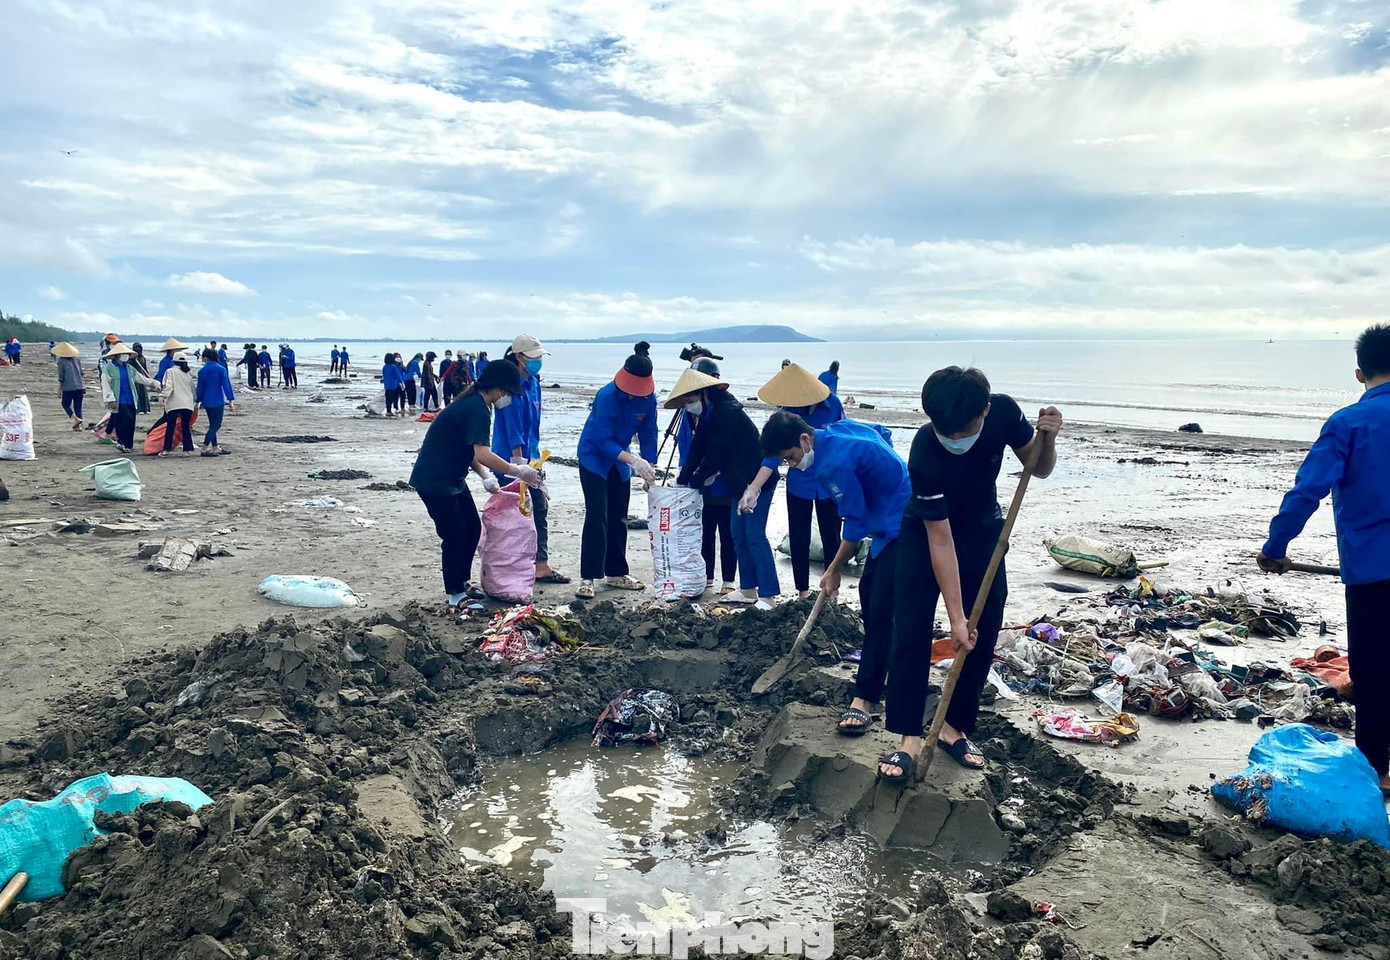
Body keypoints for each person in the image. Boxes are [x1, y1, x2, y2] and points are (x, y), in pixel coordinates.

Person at [874, 367, 1062, 783]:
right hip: (926, 533)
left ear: (986, 411)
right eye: (947, 432)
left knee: (982, 631)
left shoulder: (1004, 413)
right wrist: (955, 617)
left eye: (964, 430)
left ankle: (952, 727)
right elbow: (940, 540)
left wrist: (1048, 439)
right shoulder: (925, 449)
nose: (955, 439)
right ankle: (908, 738)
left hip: (983, 532)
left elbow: (1038, 468)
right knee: (911, 630)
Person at [1259, 323, 1390, 796]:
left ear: (1360, 373)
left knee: (1374, 672)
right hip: (1372, 567)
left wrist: (1276, 546)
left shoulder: (1349, 422)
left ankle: (1376, 772)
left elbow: (1308, 489)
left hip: (1373, 570)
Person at [760, 410, 910, 742]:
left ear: (804, 440)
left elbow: (854, 524)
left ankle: (865, 697)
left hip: (903, 524)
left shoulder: (832, 465)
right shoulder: (840, 429)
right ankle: (885, 670)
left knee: (879, 610)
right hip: (889, 518)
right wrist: (883, 477)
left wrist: (833, 569)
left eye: (790, 457)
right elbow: (882, 432)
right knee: (872, 597)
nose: (792, 465)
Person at [410, 360, 542, 611]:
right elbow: (483, 453)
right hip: (435, 480)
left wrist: (485, 475)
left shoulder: (477, 403)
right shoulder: (476, 408)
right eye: (507, 392)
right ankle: (455, 594)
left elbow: (470, 449)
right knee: (455, 534)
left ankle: (462, 581)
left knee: (472, 528)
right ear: (498, 388)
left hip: (452, 478)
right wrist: (517, 470)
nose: (506, 397)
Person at [672, 368, 780, 609]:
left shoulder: (727, 413)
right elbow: (698, 448)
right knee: (737, 534)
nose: (689, 405)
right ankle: (748, 590)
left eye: (691, 399)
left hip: (758, 482)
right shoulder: (708, 414)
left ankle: (768, 595)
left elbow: (715, 456)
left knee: (754, 535)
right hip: (738, 483)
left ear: (704, 393)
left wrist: (695, 482)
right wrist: (682, 479)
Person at [744, 363, 846, 598]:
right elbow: (772, 458)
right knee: (799, 537)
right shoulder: (786, 413)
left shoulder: (833, 404)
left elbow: (840, 436)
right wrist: (754, 488)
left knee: (832, 535)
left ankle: (832, 590)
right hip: (799, 484)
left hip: (828, 483)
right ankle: (803, 591)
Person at [575, 342, 659, 599]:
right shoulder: (607, 396)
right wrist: (633, 460)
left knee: (619, 516)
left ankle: (616, 572)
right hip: (593, 458)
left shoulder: (649, 399)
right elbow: (602, 440)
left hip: (620, 462)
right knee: (597, 515)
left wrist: (649, 466)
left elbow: (649, 433)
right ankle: (588, 577)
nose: (633, 396)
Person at [493, 335, 569, 584]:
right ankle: (515, 566)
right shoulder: (505, 387)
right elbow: (511, 426)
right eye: (533, 357)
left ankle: (540, 565)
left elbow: (533, 425)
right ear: (519, 357)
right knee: (516, 514)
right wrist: (519, 464)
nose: (538, 361)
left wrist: (535, 461)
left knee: (539, 509)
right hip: (508, 459)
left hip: (532, 457)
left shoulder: (534, 383)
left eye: (539, 357)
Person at [677, 357, 736, 593]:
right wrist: (685, 477)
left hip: (725, 481)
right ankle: (706, 576)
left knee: (728, 531)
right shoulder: (690, 413)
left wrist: (705, 472)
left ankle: (729, 580)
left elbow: (727, 449)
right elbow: (686, 447)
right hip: (701, 483)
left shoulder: (724, 411)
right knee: (704, 530)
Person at [101, 343, 159, 453]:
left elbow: (142, 379)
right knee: (125, 421)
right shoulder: (108, 369)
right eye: (123, 354)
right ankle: (121, 442)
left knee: (131, 422)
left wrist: (155, 384)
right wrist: (110, 399)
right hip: (118, 400)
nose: (126, 356)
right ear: (117, 355)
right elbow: (106, 385)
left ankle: (128, 445)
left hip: (131, 399)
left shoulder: (129, 368)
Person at [195, 348, 236, 455]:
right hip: (217, 400)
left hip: (206, 401)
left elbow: (200, 388)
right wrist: (230, 400)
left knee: (212, 424)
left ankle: (215, 447)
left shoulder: (202, 371)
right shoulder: (221, 369)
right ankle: (204, 448)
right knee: (215, 426)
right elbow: (226, 385)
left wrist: (198, 401)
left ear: (206, 358)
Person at [158, 351, 197, 456]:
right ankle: (187, 450)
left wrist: (162, 396)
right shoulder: (188, 373)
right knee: (185, 427)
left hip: (174, 403)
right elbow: (193, 388)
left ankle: (166, 449)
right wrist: (195, 401)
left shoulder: (170, 371)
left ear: (174, 361)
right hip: (187, 404)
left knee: (171, 426)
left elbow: (169, 386)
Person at [53, 342, 85, 430]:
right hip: (80, 386)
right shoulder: (77, 359)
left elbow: (61, 377)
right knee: (78, 407)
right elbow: (81, 373)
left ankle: (75, 419)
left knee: (65, 404)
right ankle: (78, 426)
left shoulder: (61, 361)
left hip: (68, 387)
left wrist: (59, 389)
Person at [130, 343, 153, 413]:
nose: (138, 349)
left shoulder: (143, 358)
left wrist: (148, 379)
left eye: (139, 347)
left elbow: (145, 369)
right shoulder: (131, 358)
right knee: (136, 393)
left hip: (142, 377)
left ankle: (145, 409)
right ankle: (138, 409)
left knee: (143, 393)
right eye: (136, 348)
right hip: (134, 377)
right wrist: (132, 359)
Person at [382, 352, 405, 416]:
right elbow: (398, 375)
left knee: (388, 399)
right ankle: (393, 410)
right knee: (394, 398)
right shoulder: (393, 367)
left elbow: (384, 375)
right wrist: (401, 382)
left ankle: (388, 411)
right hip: (393, 385)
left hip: (387, 385)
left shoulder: (384, 367)